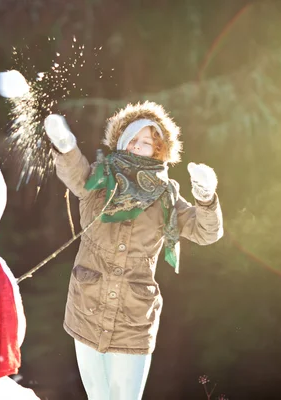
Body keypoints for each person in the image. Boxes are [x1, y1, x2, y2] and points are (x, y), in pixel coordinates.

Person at [43, 101, 223, 400]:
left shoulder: (167, 195)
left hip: (133, 317)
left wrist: (205, 197)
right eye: (133, 140)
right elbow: (76, 174)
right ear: (121, 141)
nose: (139, 147)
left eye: (147, 143)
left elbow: (206, 232)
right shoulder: (100, 179)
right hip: (88, 305)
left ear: (159, 150)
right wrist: (65, 146)